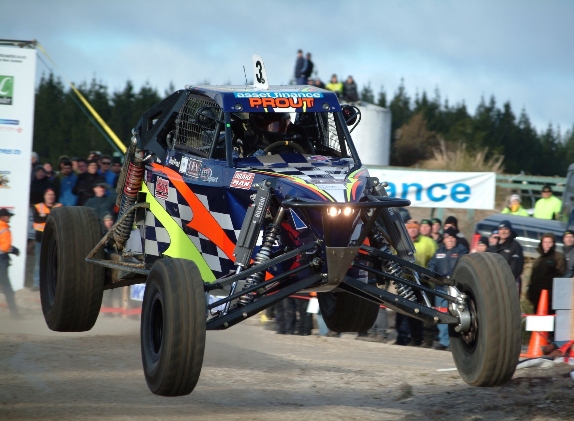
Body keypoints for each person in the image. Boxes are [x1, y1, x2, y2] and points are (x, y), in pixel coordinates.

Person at [394, 220, 438, 347]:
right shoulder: (399, 242)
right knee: (407, 312)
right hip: (406, 282)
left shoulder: (428, 242)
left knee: (426, 311)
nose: (412, 230)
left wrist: (429, 275)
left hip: (424, 283)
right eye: (410, 228)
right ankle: (413, 338)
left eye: (415, 228)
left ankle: (428, 340)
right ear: (405, 230)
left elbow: (435, 261)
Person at [428, 227, 469, 350]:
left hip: (456, 289)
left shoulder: (461, 251)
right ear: (444, 239)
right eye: (447, 238)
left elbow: (463, 267)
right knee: (441, 313)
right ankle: (444, 340)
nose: (450, 240)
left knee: (456, 315)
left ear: (455, 239)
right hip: (440, 289)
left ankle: (454, 342)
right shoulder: (439, 251)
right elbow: (431, 266)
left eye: (452, 237)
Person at [528, 233, 566, 314]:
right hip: (537, 298)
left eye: (550, 242)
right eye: (545, 242)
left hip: (551, 299)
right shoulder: (538, 260)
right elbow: (532, 279)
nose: (547, 244)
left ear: (553, 243)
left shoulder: (558, 257)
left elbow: (561, 277)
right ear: (541, 243)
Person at [32, 189, 62, 290]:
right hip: (40, 239)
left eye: (52, 194)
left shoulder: (60, 207)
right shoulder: (38, 206)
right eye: (48, 194)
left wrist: (44, 216)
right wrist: (51, 216)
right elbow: (37, 219)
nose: (50, 196)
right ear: (44, 196)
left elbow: (60, 220)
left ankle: (51, 284)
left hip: (54, 239)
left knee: (53, 262)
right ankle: (36, 284)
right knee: (38, 262)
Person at [487, 220, 524, 294]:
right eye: (501, 229)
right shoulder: (493, 248)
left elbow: (516, 268)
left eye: (506, 229)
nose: (503, 232)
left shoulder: (515, 246)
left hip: (509, 283)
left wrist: (505, 280)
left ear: (510, 231)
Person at [0, 208, 20, 317]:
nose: (10, 217)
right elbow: (5, 247)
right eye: (8, 216)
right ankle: (14, 313)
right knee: (7, 288)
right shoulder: (4, 228)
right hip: (1, 260)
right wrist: (14, 250)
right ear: (3, 217)